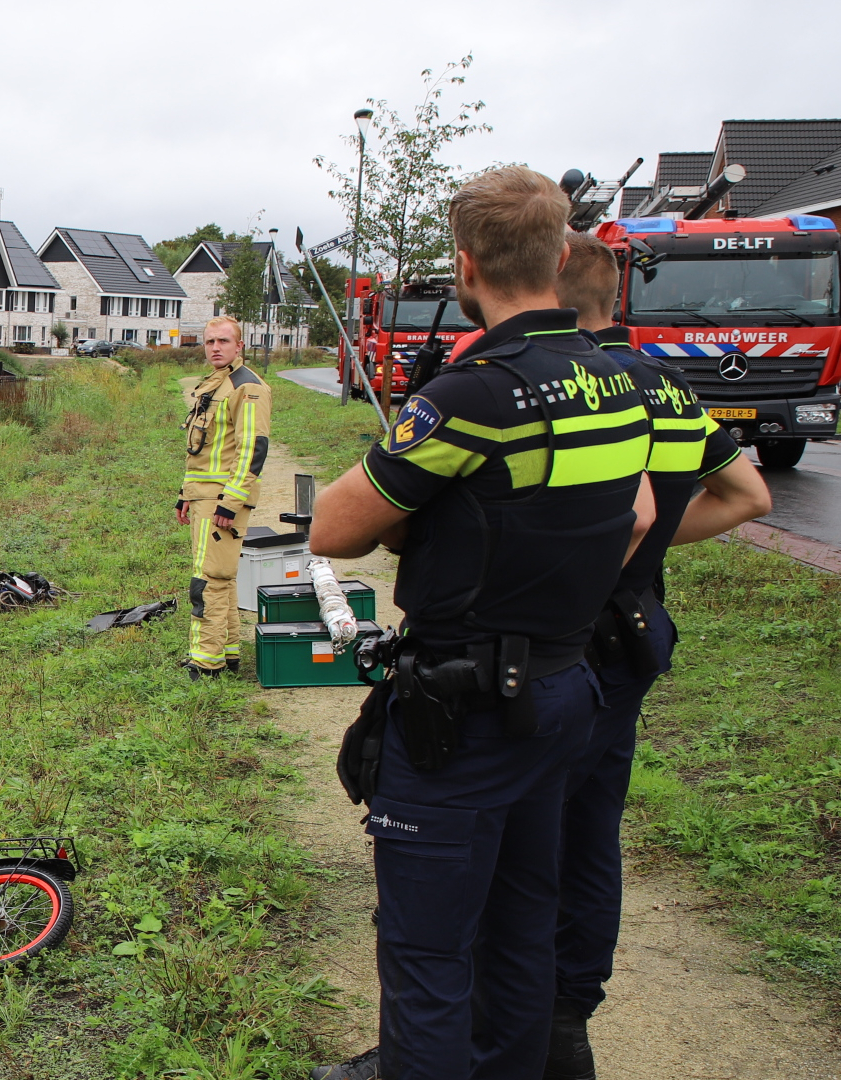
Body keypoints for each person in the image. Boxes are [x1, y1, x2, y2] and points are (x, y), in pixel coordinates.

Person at [306, 167, 657, 1080]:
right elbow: (642, 517)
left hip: (463, 716)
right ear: (559, 253)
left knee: (426, 960)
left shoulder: (476, 395)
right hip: (564, 689)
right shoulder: (618, 380)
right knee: (519, 931)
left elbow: (335, 527)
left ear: (466, 266)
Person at [542, 233, 771, 1080]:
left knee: (517, 838)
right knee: (594, 834)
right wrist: (647, 555)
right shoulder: (669, 388)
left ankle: (487, 1032)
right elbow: (749, 495)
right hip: (635, 634)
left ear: (549, 286)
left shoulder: (566, 385)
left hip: (563, 644)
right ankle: (568, 1022)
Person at [176, 315, 271, 678]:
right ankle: (228, 653)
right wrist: (185, 495)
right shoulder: (217, 384)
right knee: (222, 577)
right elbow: (203, 451)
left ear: (239, 346)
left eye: (223, 342)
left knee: (208, 579)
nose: (215, 348)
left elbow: (252, 450)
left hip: (221, 499)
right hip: (204, 495)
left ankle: (206, 660)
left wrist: (230, 503)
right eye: (210, 342)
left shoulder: (247, 388)